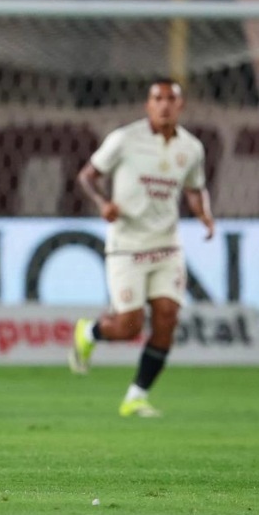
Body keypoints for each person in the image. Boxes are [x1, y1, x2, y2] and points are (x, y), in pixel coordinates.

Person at [70, 78, 215, 418]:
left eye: (171, 99)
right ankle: (88, 332)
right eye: (157, 98)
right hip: (127, 245)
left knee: (167, 317)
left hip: (167, 245)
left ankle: (136, 397)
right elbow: (87, 176)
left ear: (180, 106)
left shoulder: (191, 148)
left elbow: (195, 187)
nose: (164, 105)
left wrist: (204, 214)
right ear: (148, 105)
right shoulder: (124, 139)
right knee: (128, 327)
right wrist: (103, 203)